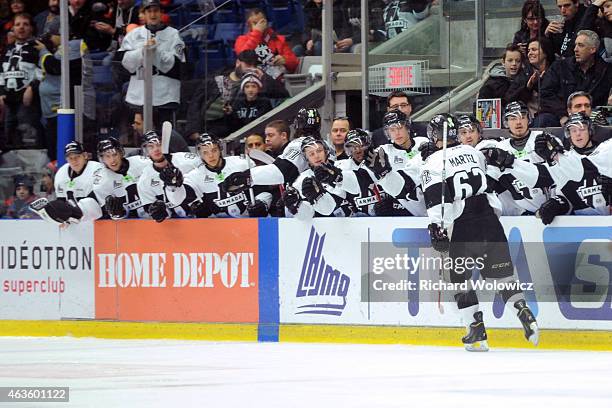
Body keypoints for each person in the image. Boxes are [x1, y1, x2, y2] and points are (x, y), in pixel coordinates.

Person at [421, 113, 539, 351]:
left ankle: (475, 330)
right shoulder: (473, 152)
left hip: (461, 224)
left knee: (459, 280)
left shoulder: (433, 161)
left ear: (434, 136)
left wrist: (436, 228)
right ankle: (523, 310)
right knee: (504, 276)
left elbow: (435, 198)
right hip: (488, 219)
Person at [485, 113, 609, 225]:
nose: (577, 134)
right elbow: (548, 182)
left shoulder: (606, 151)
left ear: (590, 130)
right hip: (585, 226)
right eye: (573, 130)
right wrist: (556, 204)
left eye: (581, 129)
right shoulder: (565, 159)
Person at [184, 50, 288, 142]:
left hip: (233, 128)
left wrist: (264, 76)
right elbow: (196, 103)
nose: (251, 68)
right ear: (238, 63)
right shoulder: (216, 79)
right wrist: (193, 130)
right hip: (207, 126)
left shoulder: (256, 84)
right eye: (248, 64)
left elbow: (282, 94)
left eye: (254, 65)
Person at [219, 107, 328, 193]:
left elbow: (282, 171)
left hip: (310, 206)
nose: (267, 139)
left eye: (271, 135)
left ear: (296, 125)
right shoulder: (327, 145)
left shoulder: (299, 144)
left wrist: (247, 176)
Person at [162, 134, 273, 218]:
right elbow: (178, 200)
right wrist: (172, 186)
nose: (211, 156)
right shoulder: (195, 176)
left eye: (214, 150)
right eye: (205, 152)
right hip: (217, 229)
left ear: (220, 149)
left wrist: (262, 203)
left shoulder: (242, 163)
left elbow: (265, 191)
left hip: (249, 222)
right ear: (199, 154)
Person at [119, 0, 185, 125]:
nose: (153, 14)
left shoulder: (174, 34)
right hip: (139, 92)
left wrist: (156, 52)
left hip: (165, 94)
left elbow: (178, 65)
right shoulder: (133, 35)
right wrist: (143, 51)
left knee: (163, 133)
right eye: (149, 11)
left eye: (156, 11)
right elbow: (124, 62)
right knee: (139, 130)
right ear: (143, 14)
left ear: (161, 13)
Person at [488, 101, 550, 216]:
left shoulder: (543, 138)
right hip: (521, 216)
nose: (518, 122)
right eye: (512, 118)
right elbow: (492, 183)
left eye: (522, 117)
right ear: (506, 123)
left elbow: (563, 173)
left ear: (529, 119)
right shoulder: (501, 148)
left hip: (551, 210)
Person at [538, 30, 612, 126]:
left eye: (581, 45)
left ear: (593, 49)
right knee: (543, 120)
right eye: (575, 45)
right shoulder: (560, 66)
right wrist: (563, 115)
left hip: (593, 117)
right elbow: (545, 94)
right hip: (561, 115)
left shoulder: (606, 71)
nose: (575, 49)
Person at [136, 130, 200, 222]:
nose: (156, 149)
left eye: (159, 144)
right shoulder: (144, 180)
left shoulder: (187, 161)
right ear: (146, 151)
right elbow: (149, 207)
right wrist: (157, 212)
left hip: (201, 219)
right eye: (151, 146)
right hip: (171, 226)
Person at [0, 13, 43, 150]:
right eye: (18, 24)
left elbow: (44, 71)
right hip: (8, 100)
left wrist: (32, 87)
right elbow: (1, 71)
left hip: (27, 99)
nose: (21, 27)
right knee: (8, 136)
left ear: (31, 28)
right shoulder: (8, 48)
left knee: (28, 135)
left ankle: (32, 170)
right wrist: (0, 93)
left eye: (25, 24)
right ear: (13, 28)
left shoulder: (37, 47)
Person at [282, 136, 350, 220]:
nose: (316, 156)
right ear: (306, 159)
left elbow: (343, 196)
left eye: (319, 151)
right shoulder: (301, 179)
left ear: (326, 151)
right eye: (311, 154)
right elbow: (307, 215)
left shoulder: (343, 166)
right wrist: (295, 205)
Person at [234, 8, 298, 80]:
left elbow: (294, 63)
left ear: (266, 22)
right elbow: (244, 57)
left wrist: (285, 60)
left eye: (261, 22)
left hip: (276, 82)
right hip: (251, 81)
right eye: (255, 23)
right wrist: (257, 33)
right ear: (249, 26)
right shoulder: (242, 40)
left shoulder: (278, 39)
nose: (259, 25)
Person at [506, 37, 555, 120]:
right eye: (528, 51)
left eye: (534, 49)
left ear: (546, 52)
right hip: (527, 119)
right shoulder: (525, 73)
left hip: (550, 118)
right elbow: (509, 98)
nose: (530, 53)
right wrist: (528, 88)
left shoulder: (556, 71)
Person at [54, 141, 103, 205]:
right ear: (66, 159)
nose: (74, 161)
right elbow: (61, 201)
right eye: (70, 158)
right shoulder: (61, 173)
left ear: (85, 156)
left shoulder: (97, 169)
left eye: (77, 156)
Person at [478, 44, 523, 108]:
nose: (514, 64)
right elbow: (480, 107)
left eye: (518, 61)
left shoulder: (525, 81)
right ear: (503, 62)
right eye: (510, 60)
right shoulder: (491, 84)